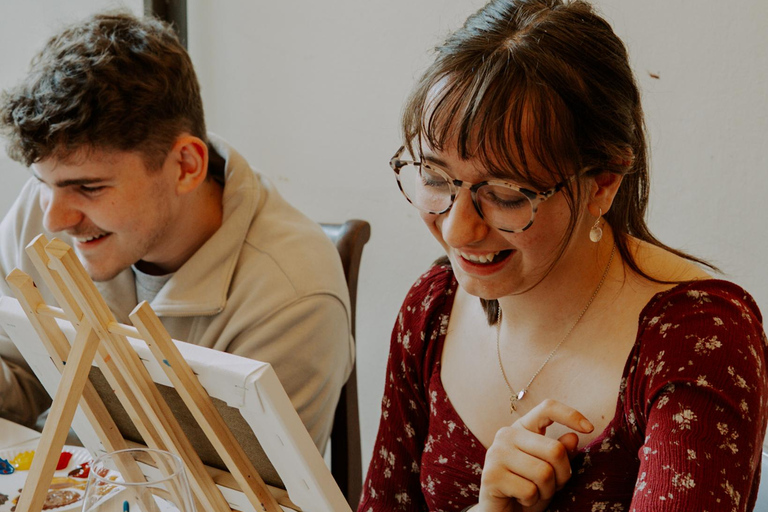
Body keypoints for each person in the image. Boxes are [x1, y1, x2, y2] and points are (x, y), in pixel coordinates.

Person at [359, 0, 767, 510]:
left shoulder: (698, 339)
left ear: (602, 185)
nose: (458, 228)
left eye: (506, 195)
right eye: (435, 179)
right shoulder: (431, 311)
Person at [0, 11, 353, 453]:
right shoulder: (47, 206)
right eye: (42, 183)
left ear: (186, 166)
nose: (54, 220)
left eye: (88, 188)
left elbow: (256, 493)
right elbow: (20, 379)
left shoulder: (294, 297)